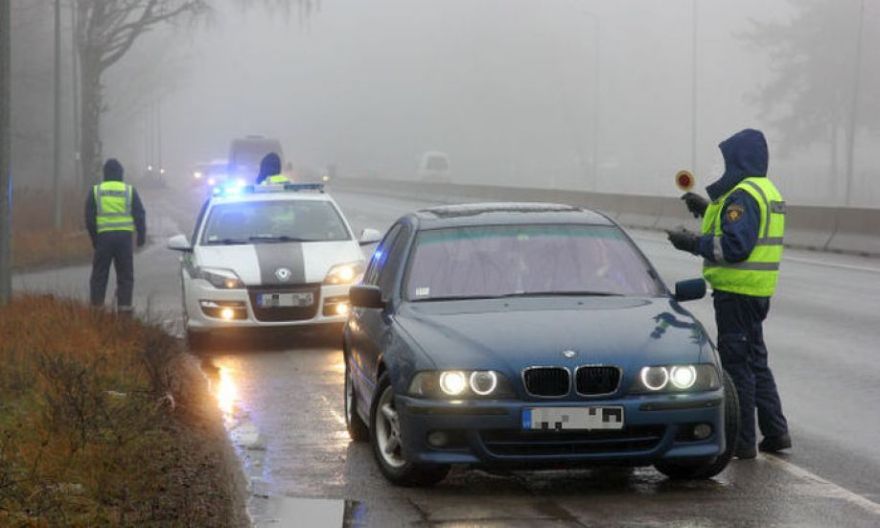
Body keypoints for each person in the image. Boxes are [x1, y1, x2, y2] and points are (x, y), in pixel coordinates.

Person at [666, 128, 791, 459]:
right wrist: (706, 208)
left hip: (736, 292)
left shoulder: (742, 195)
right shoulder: (764, 190)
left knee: (737, 366)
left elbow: (735, 246)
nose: (720, 167)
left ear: (738, 160)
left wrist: (692, 243)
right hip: (756, 292)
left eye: (725, 160)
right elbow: (742, 225)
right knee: (757, 362)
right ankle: (776, 432)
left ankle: (743, 441)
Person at [85, 158, 146, 314]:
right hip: (124, 239)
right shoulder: (129, 190)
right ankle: (125, 312)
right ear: (121, 174)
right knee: (125, 275)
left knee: (99, 275)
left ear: (104, 174)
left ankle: (97, 311)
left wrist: (95, 239)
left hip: (104, 238)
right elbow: (139, 214)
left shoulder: (96, 191)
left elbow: (90, 219)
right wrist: (141, 236)